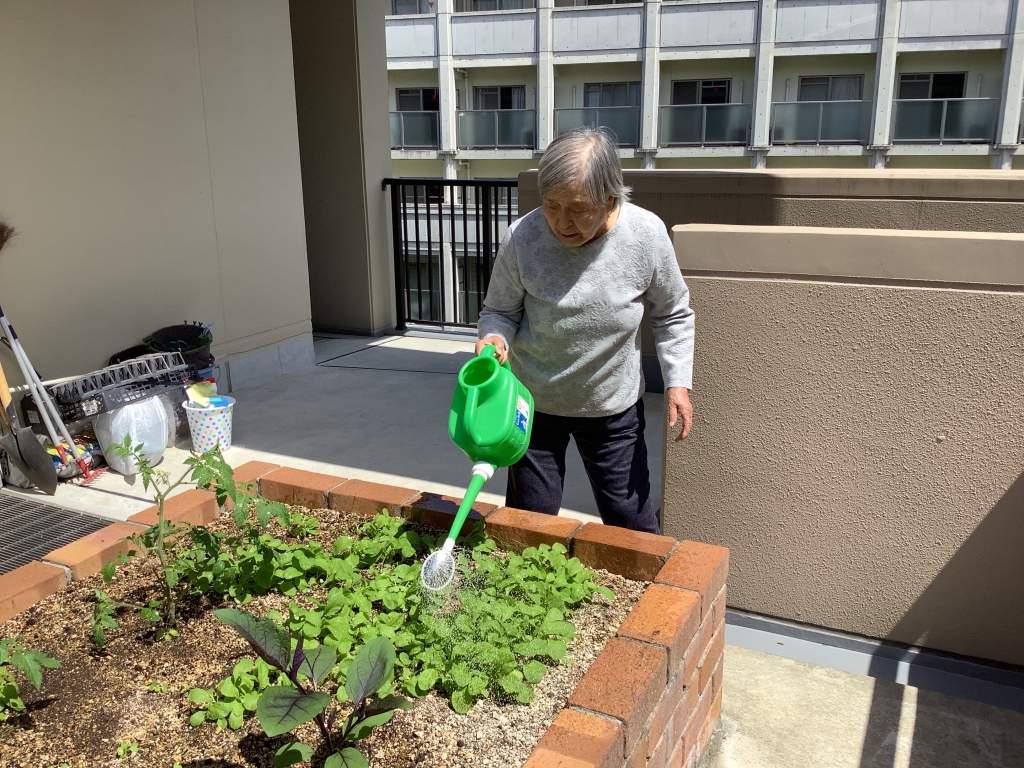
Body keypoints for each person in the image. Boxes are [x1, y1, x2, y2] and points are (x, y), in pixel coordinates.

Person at [476, 126, 694, 535]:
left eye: (577, 207)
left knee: (632, 527)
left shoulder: (645, 235)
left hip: (611, 408)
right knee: (528, 527)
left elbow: (673, 314)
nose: (561, 221)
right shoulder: (523, 236)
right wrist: (494, 338)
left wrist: (677, 383)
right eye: (551, 205)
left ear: (611, 197)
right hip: (533, 405)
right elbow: (499, 311)